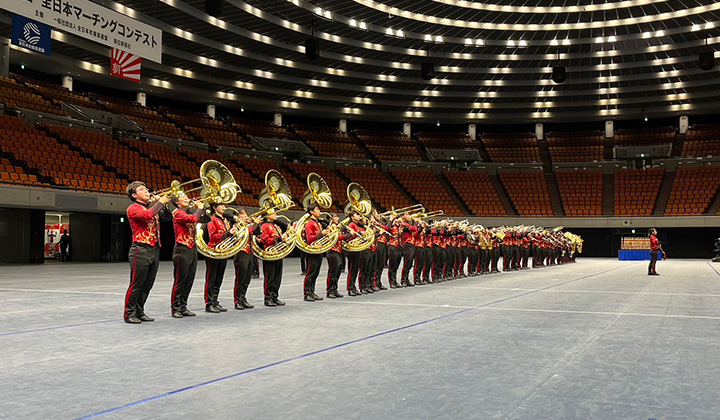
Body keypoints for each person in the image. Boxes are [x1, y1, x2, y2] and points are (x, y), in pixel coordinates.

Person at [123, 181, 170, 324]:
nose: (147, 191)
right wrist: (159, 202)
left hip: (154, 248)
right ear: (134, 194)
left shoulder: (151, 208)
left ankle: (140, 310)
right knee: (137, 283)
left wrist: (163, 204)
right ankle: (129, 313)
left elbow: (167, 218)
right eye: (142, 189)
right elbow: (146, 216)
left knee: (148, 284)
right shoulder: (133, 208)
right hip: (140, 249)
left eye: (146, 189)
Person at [170, 195, 205, 318]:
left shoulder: (189, 211)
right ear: (177, 202)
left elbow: (205, 219)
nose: (187, 199)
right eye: (183, 197)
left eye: (186, 197)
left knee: (189, 280)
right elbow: (193, 219)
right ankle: (175, 308)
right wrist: (199, 209)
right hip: (182, 248)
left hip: (191, 248)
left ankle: (183, 306)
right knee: (180, 280)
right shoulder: (177, 212)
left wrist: (202, 208)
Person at [204, 202, 235, 313]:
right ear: (214, 207)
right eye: (221, 205)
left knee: (219, 279)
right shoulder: (212, 220)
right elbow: (213, 237)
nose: (223, 207)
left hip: (223, 252)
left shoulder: (225, 220)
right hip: (214, 251)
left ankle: (215, 301)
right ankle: (209, 303)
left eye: (224, 205)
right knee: (211, 279)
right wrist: (228, 233)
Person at [233, 209, 260, 310]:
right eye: (243, 215)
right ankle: (237, 301)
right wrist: (254, 224)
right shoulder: (236, 226)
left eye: (246, 215)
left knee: (247, 278)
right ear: (238, 217)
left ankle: (243, 298)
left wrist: (255, 223)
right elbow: (246, 232)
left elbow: (257, 232)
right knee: (240, 278)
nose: (246, 217)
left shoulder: (249, 225)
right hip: (240, 253)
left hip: (249, 252)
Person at [259, 210, 288, 306]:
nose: (275, 214)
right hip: (270, 254)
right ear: (267, 216)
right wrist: (278, 239)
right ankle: (268, 298)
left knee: (277, 277)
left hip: (278, 253)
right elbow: (265, 239)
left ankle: (275, 296)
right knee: (270, 277)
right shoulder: (264, 226)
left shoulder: (275, 225)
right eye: (273, 213)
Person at [302, 203, 329, 301]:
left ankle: (312, 291)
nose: (319, 211)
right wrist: (322, 234)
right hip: (312, 251)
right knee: (310, 273)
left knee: (315, 273)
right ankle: (307, 293)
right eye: (317, 209)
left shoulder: (317, 223)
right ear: (311, 212)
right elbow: (310, 239)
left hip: (318, 250)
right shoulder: (310, 223)